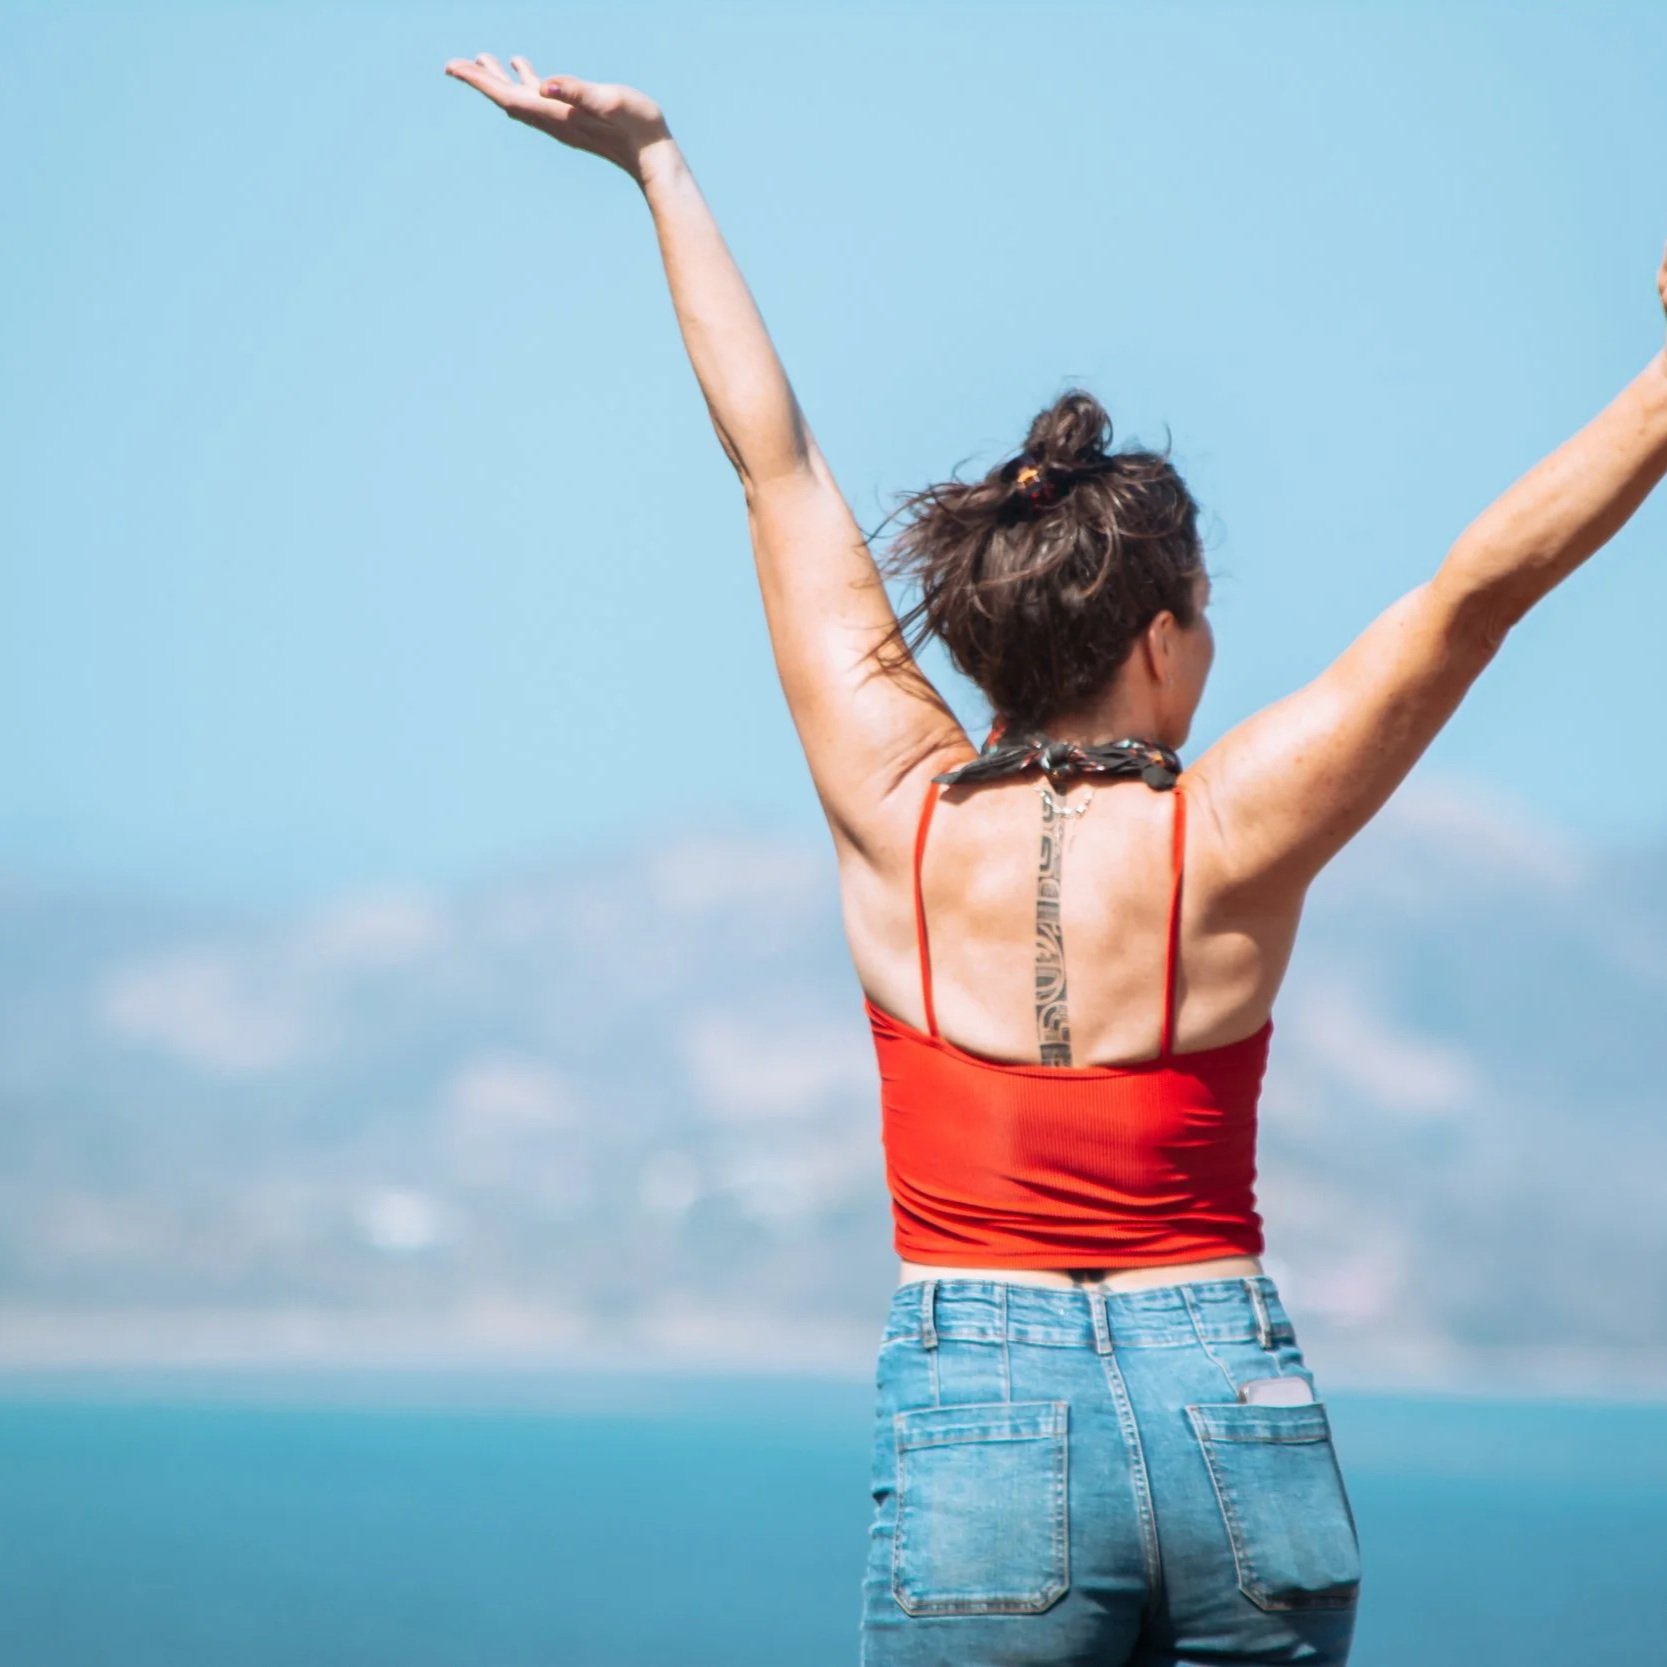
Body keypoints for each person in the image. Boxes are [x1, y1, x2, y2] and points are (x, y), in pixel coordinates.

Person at [443, 52, 1667, 1667]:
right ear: (1161, 642)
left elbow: (780, 473)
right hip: (1233, 1407)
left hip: (984, 1420)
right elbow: (1470, 598)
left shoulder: (898, 809)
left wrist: (659, 166)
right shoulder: (1226, 833)